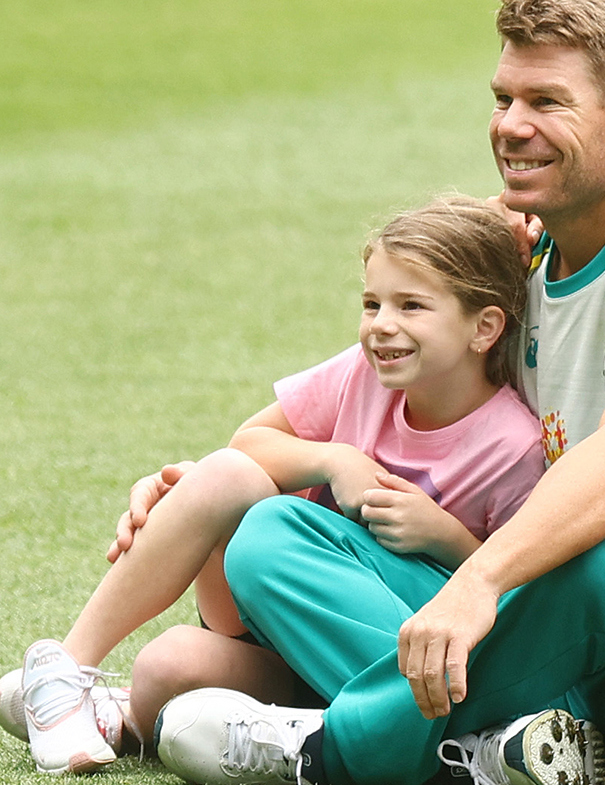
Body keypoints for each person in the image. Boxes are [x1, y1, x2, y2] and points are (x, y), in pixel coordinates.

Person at [151, 1, 605, 785]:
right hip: (543, 606)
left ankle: (336, 750)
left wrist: (479, 581)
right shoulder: (527, 256)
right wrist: (191, 494)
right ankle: (508, 745)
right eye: (504, 99)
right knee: (271, 533)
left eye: (546, 102)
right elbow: (328, 404)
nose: (510, 124)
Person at [0, 195, 545, 776]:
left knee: (167, 667)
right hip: (272, 618)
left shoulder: (511, 446)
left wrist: (445, 537)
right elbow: (247, 443)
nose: (382, 324)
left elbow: (522, 598)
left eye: (411, 306)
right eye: (371, 303)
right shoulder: (365, 375)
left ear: (484, 328)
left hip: (385, 654)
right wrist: (332, 459)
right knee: (226, 475)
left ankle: (130, 720)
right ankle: (65, 674)